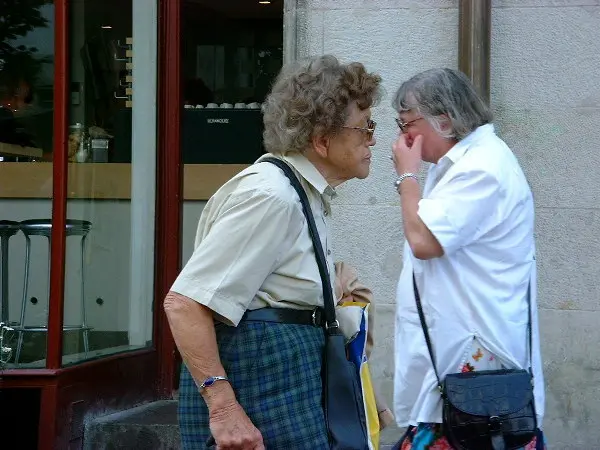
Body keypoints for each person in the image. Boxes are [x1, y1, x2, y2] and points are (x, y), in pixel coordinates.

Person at [163, 54, 382, 449]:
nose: (373, 139)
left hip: (285, 377)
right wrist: (224, 409)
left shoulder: (300, 193)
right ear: (321, 138)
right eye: (364, 127)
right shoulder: (272, 195)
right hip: (262, 381)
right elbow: (184, 304)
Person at [389, 68, 546, 449]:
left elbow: (424, 240)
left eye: (408, 123)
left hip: (476, 368)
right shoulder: (465, 163)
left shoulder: (483, 167)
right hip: (462, 365)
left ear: (444, 120)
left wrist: (406, 177)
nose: (402, 136)